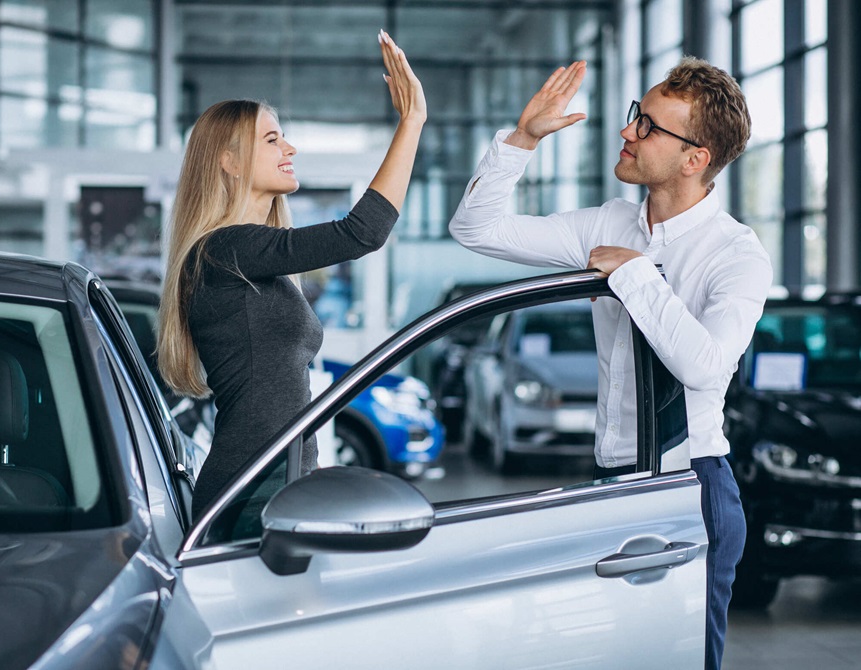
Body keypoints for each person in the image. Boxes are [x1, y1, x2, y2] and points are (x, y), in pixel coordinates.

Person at [448, 58, 772, 669]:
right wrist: (523, 140)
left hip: (691, 482)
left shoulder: (737, 255)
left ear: (694, 158)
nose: (627, 132)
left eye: (647, 126)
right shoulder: (609, 222)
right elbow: (475, 228)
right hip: (612, 479)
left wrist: (633, 275)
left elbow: (705, 367)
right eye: (635, 116)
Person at [157, 30, 426, 522]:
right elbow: (361, 233)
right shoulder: (224, 248)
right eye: (272, 138)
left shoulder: (249, 257)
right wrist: (411, 122)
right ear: (228, 161)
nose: (290, 147)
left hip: (278, 482)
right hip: (251, 490)